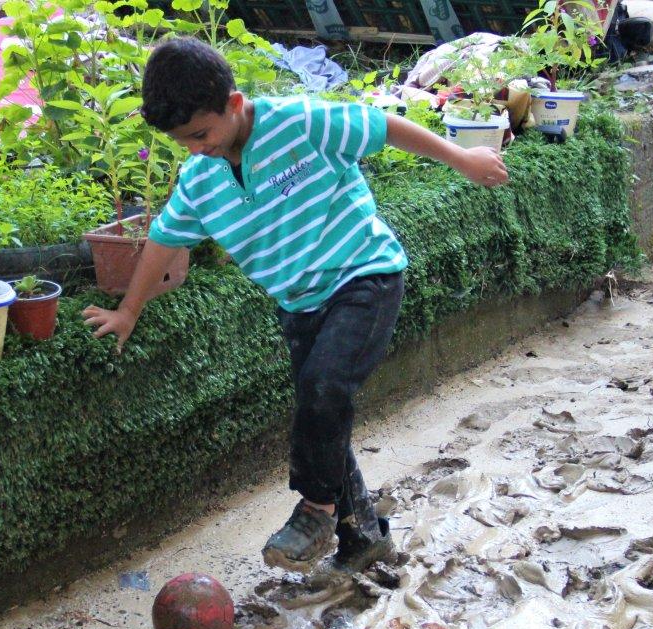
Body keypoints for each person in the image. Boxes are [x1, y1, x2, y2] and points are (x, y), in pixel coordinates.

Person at [84, 37, 508, 584]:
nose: (194, 149)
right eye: (181, 141)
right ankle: (365, 541)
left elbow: (382, 128)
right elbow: (163, 241)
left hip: (364, 276)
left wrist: (462, 158)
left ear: (234, 105)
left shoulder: (302, 124)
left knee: (324, 389)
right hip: (300, 305)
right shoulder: (200, 180)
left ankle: (315, 513)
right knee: (323, 416)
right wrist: (128, 311)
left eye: (200, 134)